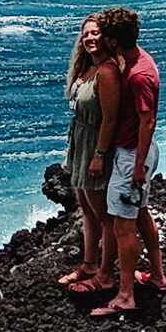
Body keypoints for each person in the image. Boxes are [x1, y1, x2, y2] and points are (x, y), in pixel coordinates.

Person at [90, 6, 166, 316]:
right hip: (137, 154)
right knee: (140, 213)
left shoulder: (139, 75)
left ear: (113, 41)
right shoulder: (135, 58)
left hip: (131, 155)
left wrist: (137, 167)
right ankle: (158, 276)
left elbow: (147, 121)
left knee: (124, 226)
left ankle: (125, 296)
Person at [57, 16, 119, 290]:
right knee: (86, 209)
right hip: (79, 142)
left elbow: (109, 119)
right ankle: (89, 264)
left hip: (94, 143)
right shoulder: (86, 69)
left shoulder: (106, 72)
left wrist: (100, 154)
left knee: (104, 214)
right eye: (86, 34)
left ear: (106, 37)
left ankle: (105, 275)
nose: (90, 38)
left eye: (96, 33)